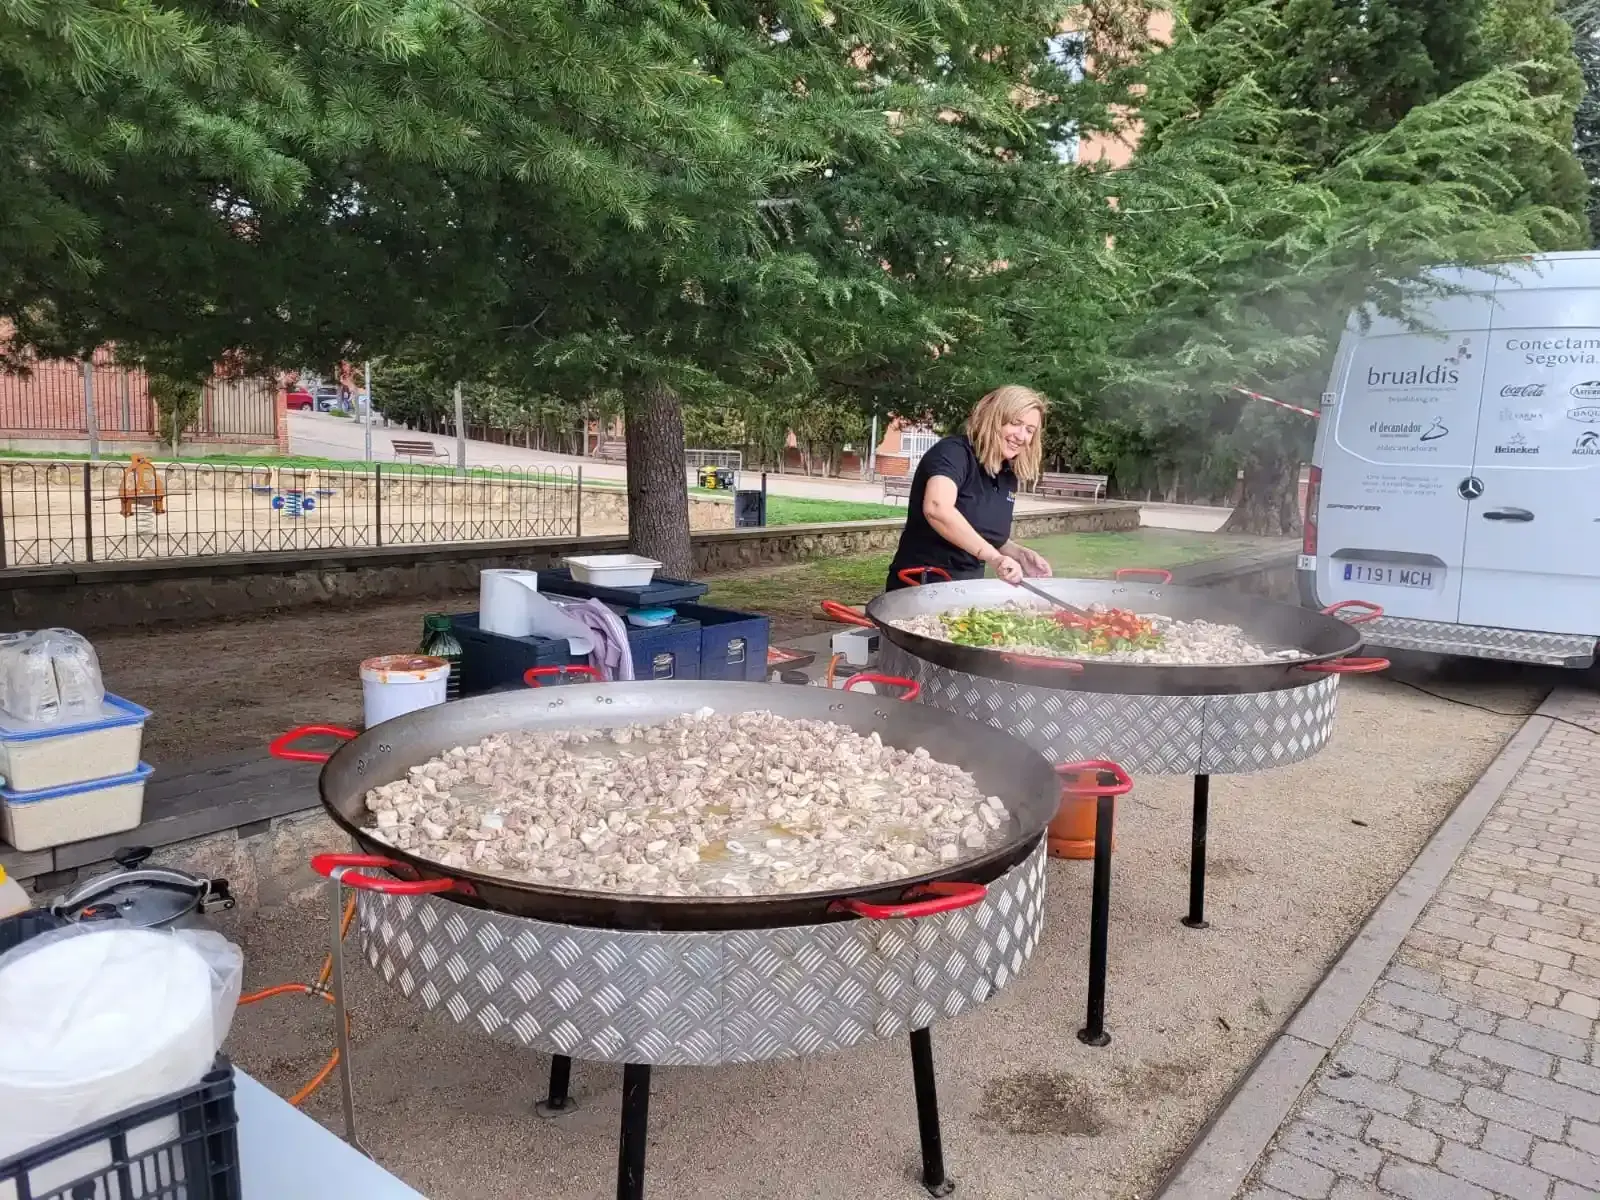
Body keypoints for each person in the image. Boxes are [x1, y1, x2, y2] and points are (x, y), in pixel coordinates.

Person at [885, 385, 1052, 590]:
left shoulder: (1007, 473)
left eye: (1029, 430)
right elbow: (937, 508)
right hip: (921, 584)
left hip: (966, 587)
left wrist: (1018, 554)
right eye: (1015, 423)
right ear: (993, 419)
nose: (1021, 436)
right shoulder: (953, 453)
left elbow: (984, 533)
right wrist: (993, 557)